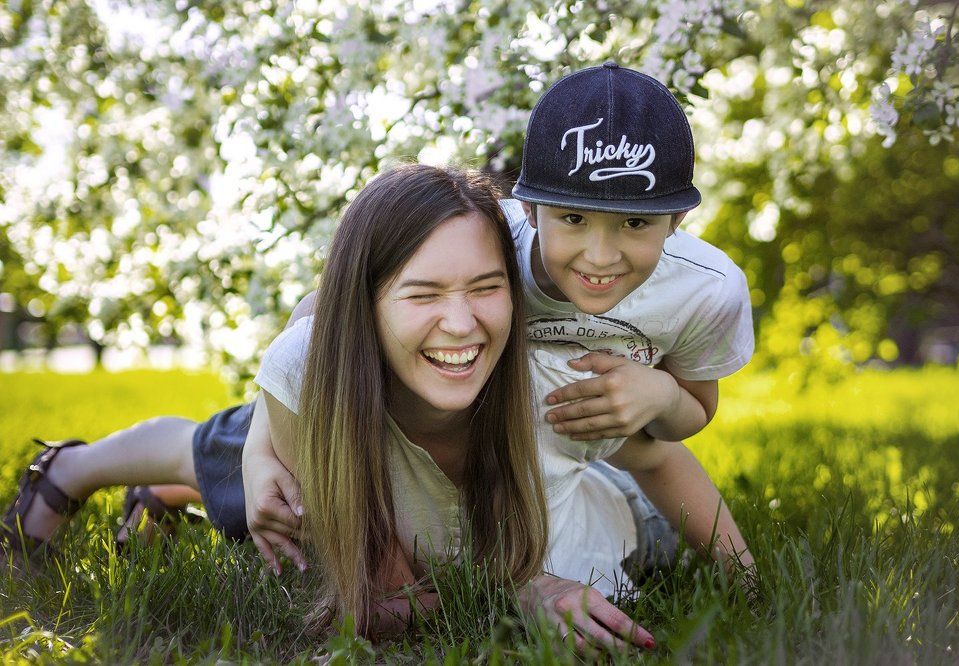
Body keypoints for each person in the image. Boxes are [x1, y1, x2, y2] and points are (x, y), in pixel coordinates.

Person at [1, 164, 656, 648]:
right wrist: (262, 451)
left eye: (483, 290)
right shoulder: (322, 374)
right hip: (341, 415)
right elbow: (314, 319)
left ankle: (168, 491)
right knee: (230, 467)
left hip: (398, 426)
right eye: (424, 294)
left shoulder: (542, 325)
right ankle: (72, 470)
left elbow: (655, 440)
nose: (460, 322)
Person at [243, 63, 757, 593]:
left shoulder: (702, 292)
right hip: (389, 420)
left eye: (635, 223)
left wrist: (661, 394)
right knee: (240, 476)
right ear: (530, 210)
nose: (601, 257)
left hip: (547, 456)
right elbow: (319, 323)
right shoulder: (481, 241)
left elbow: (679, 429)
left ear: (677, 221)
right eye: (575, 219)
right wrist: (257, 451)